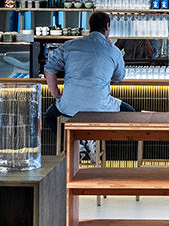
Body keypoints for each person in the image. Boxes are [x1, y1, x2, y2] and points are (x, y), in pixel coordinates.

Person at [42, 10, 134, 141]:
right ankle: (96, 141)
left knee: (50, 116)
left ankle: (73, 142)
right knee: (131, 113)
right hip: (100, 108)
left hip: (69, 107)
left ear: (90, 25)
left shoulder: (70, 45)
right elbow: (118, 77)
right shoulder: (113, 51)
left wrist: (56, 93)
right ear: (107, 26)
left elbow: (49, 70)